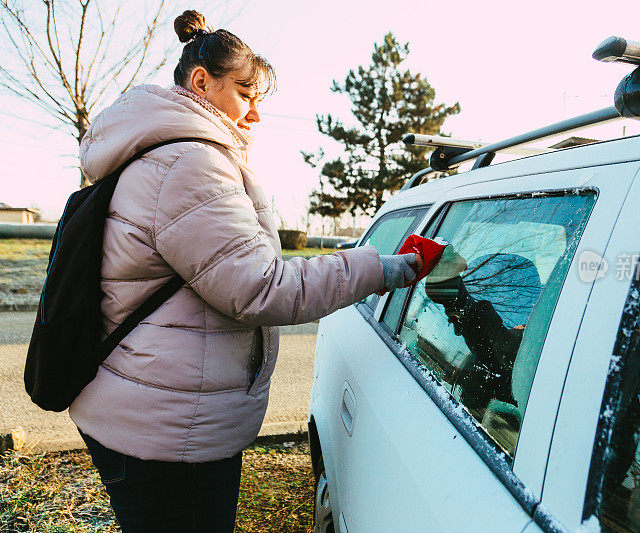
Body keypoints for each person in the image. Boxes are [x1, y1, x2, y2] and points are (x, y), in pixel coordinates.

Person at [70, 10, 422, 532]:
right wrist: (385, 267)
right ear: (200, 82)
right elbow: (260, 288)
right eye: (244, 92)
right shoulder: (188, 163)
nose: (255, 113)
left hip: (147, 410)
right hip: (168, 432)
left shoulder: (152, 151)